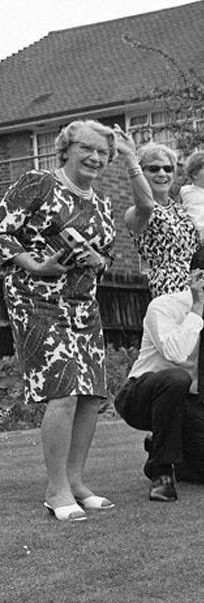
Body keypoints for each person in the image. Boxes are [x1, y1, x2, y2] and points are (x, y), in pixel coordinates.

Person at [0, 119, 120, 521]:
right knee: (64, 390)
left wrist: (96, 259)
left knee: (91, 395)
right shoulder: (38, 182)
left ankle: (76, 480)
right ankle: (56, 490)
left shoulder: (102, 205)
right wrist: (35, 264)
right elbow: (2, 230)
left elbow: (109, 258)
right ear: (65, 148)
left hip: (83, 302)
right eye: (87, 148)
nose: (95, 157)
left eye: (103, 152)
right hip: (36, 298)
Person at [115, 246, 204, 501]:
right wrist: (198, 306)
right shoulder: (163, 306)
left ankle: (168, 452)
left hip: (185, 405)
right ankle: (161, 473)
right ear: (194, 275)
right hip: (141, 397)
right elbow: (176, 355)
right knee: (176, 378)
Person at [124, 142, 200, 298]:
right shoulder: (138, 212)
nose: (162, 173)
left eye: (168, 169)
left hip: (197, 290)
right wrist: (130, 158)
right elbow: (146, 205)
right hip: (167, 290)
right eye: (153, 169)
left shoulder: (182, 210)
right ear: (141, 173)